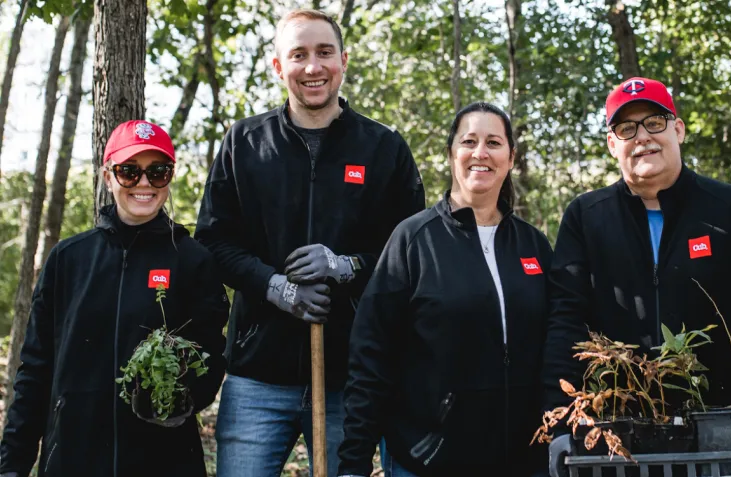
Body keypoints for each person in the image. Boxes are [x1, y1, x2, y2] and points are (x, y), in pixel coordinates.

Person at [542, 77, 731, 472]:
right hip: (623, 440)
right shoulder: (586, 219)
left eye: (654, 122)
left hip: (729, 436)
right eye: (626, 128)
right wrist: (560, 423)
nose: (642, 137)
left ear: (678, 129)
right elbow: (566, 323)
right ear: (613, 144)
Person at [194, 9, 425, 477]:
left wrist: (348, 266)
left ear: (343, 60)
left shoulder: (384, 148)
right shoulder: (243, 143)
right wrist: (276, 287)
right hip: (257, 376)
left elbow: (413, 252)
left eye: (324, 53)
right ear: (279, 66)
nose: (313, 67)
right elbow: (214, 243)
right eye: (298, 55)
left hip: (353, 377)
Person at [0, 120, 229, 477]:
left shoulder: (193, 260)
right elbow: (35, 368)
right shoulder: (68, 259)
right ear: (107, 176)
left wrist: (185, 401)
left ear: (169, 178)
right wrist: (12, 463)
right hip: (73, 456)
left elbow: (212, 354)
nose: (143, 183)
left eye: (157, 172)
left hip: (165, 460)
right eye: (128, 171)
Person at [338, 102, 551, 477]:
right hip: (427, 461)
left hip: (525, 461)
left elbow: (557, 344)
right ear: (452, 153)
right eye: (469, 141)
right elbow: (371, 355)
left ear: (511, 157)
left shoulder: (534, 245)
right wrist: (354, 461)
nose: (480, 153)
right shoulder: (412, 239)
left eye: (494, 143)